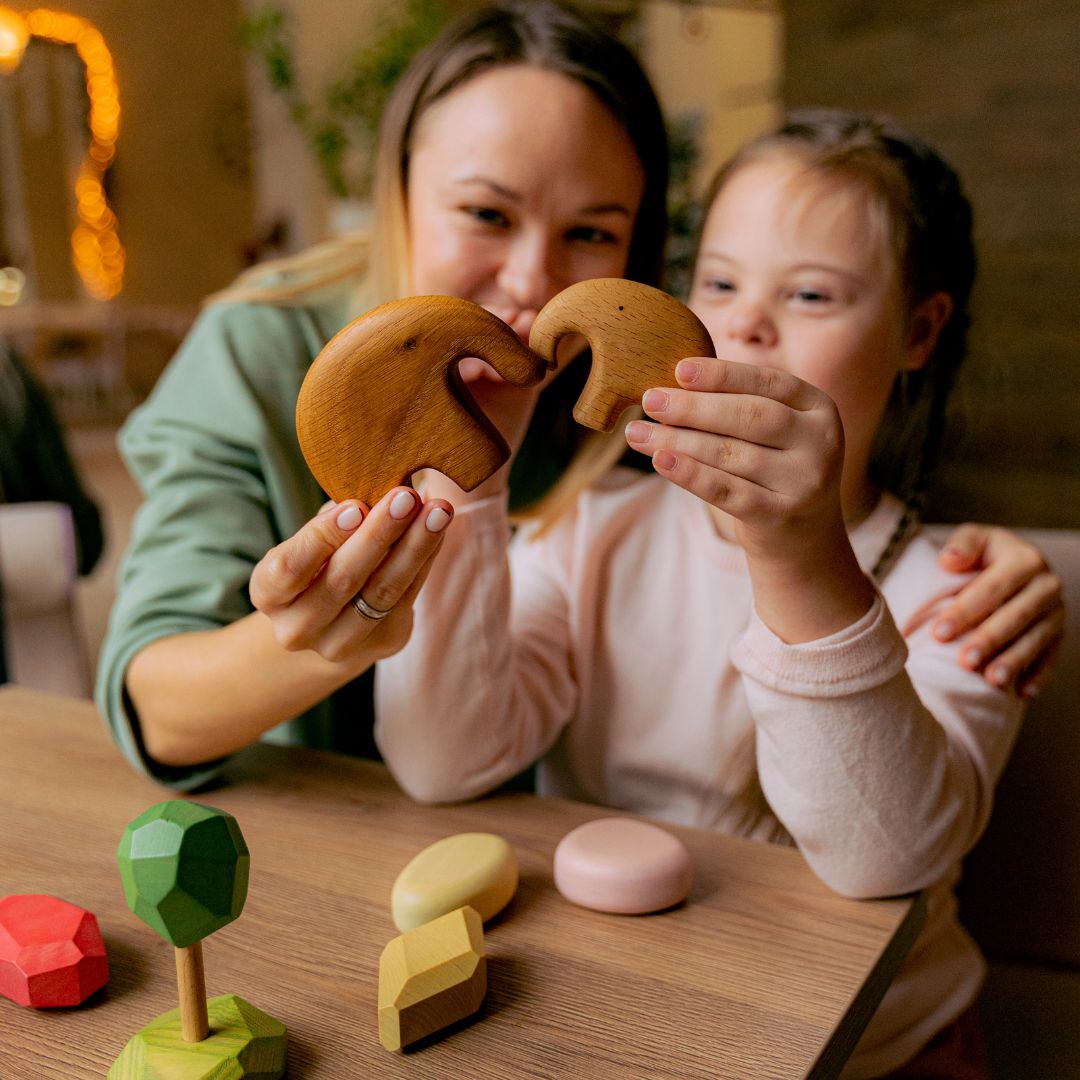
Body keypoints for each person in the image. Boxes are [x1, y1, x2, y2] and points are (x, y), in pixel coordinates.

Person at [97, 0, 1060, 792]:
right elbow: (155, 704)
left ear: (638, 256)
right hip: (309, 834)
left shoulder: (622, 395)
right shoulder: (266, 351)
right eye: (484, 212)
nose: (529, 278)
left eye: (592, 233)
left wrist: (1000, 561)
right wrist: (321, 639)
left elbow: (809, 528)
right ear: (394, 191)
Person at [374, 109, 1038, 1077]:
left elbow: (886, 858)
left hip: (884, 1047)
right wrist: (471, 484)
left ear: (917, 331)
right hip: (634, 1027)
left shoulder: (971, 594)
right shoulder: (595, 527)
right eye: (719, 282)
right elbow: (442, 760)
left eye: (811, 293)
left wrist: (799, 556)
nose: (748, 323)